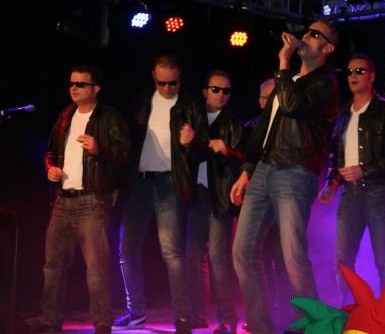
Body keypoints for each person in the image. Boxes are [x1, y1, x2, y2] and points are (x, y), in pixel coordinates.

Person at [230, 19, 340, 334]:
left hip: (294, 171)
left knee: (293, 255)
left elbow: (292, 106)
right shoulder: (288, 79)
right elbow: (264, 129)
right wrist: (247, 170)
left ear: (327, 48)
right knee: (242, 250)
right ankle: (260, 326)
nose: (306, 36)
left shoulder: (326, 83)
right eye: (306, 31)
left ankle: (314, 327)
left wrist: (283, 62)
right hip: (264, 170)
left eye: (314, 34)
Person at [30, 64, 130, 334]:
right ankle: (50, 320)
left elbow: (124, 155)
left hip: (92, 200)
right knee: (53, 265)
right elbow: (50, 152)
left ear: (95, 89)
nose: (74, 88)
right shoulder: (66, 115)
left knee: (96, 267)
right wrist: (50, 169)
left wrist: (99, 149)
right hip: (63, 200)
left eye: (80, 84)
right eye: (71, 83)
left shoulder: (109, 117)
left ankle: (102, 322)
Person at [113, 54, 206, 334]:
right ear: (153, 76)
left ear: (180, 78)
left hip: (169, 184)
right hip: (138, 183)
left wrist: (190, 144)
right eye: (162, 83)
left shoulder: (190, 105)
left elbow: (203, 150)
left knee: (171, 252)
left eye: (172, 83)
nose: (167, 88)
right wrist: (118, 183)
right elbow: (126, 144)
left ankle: (182, 317)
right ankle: (136, 313)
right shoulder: (141, 101)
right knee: (127, 250)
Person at [319, 53, 385, 303]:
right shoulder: (343, 114)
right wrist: (331, 184)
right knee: (342, 260)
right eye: (349, 72)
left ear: (372, 76)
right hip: (350, 195)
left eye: (359, 71)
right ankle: (352, 310)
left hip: (379, 193)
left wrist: (364, 169)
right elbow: (335, 156)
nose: (353, 76)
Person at [187, 70, 246, 334]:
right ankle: (197, 314)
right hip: (196, 194)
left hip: (219, 196)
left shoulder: (234, 123)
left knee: (218, 257)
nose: (221, 94)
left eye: (226, 91)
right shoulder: (194, 119)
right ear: (205, 91)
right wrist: (187, 144)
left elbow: (245, 161)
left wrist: (227, 151)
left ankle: (227, 319)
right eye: (215, 89)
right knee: (192, 256)